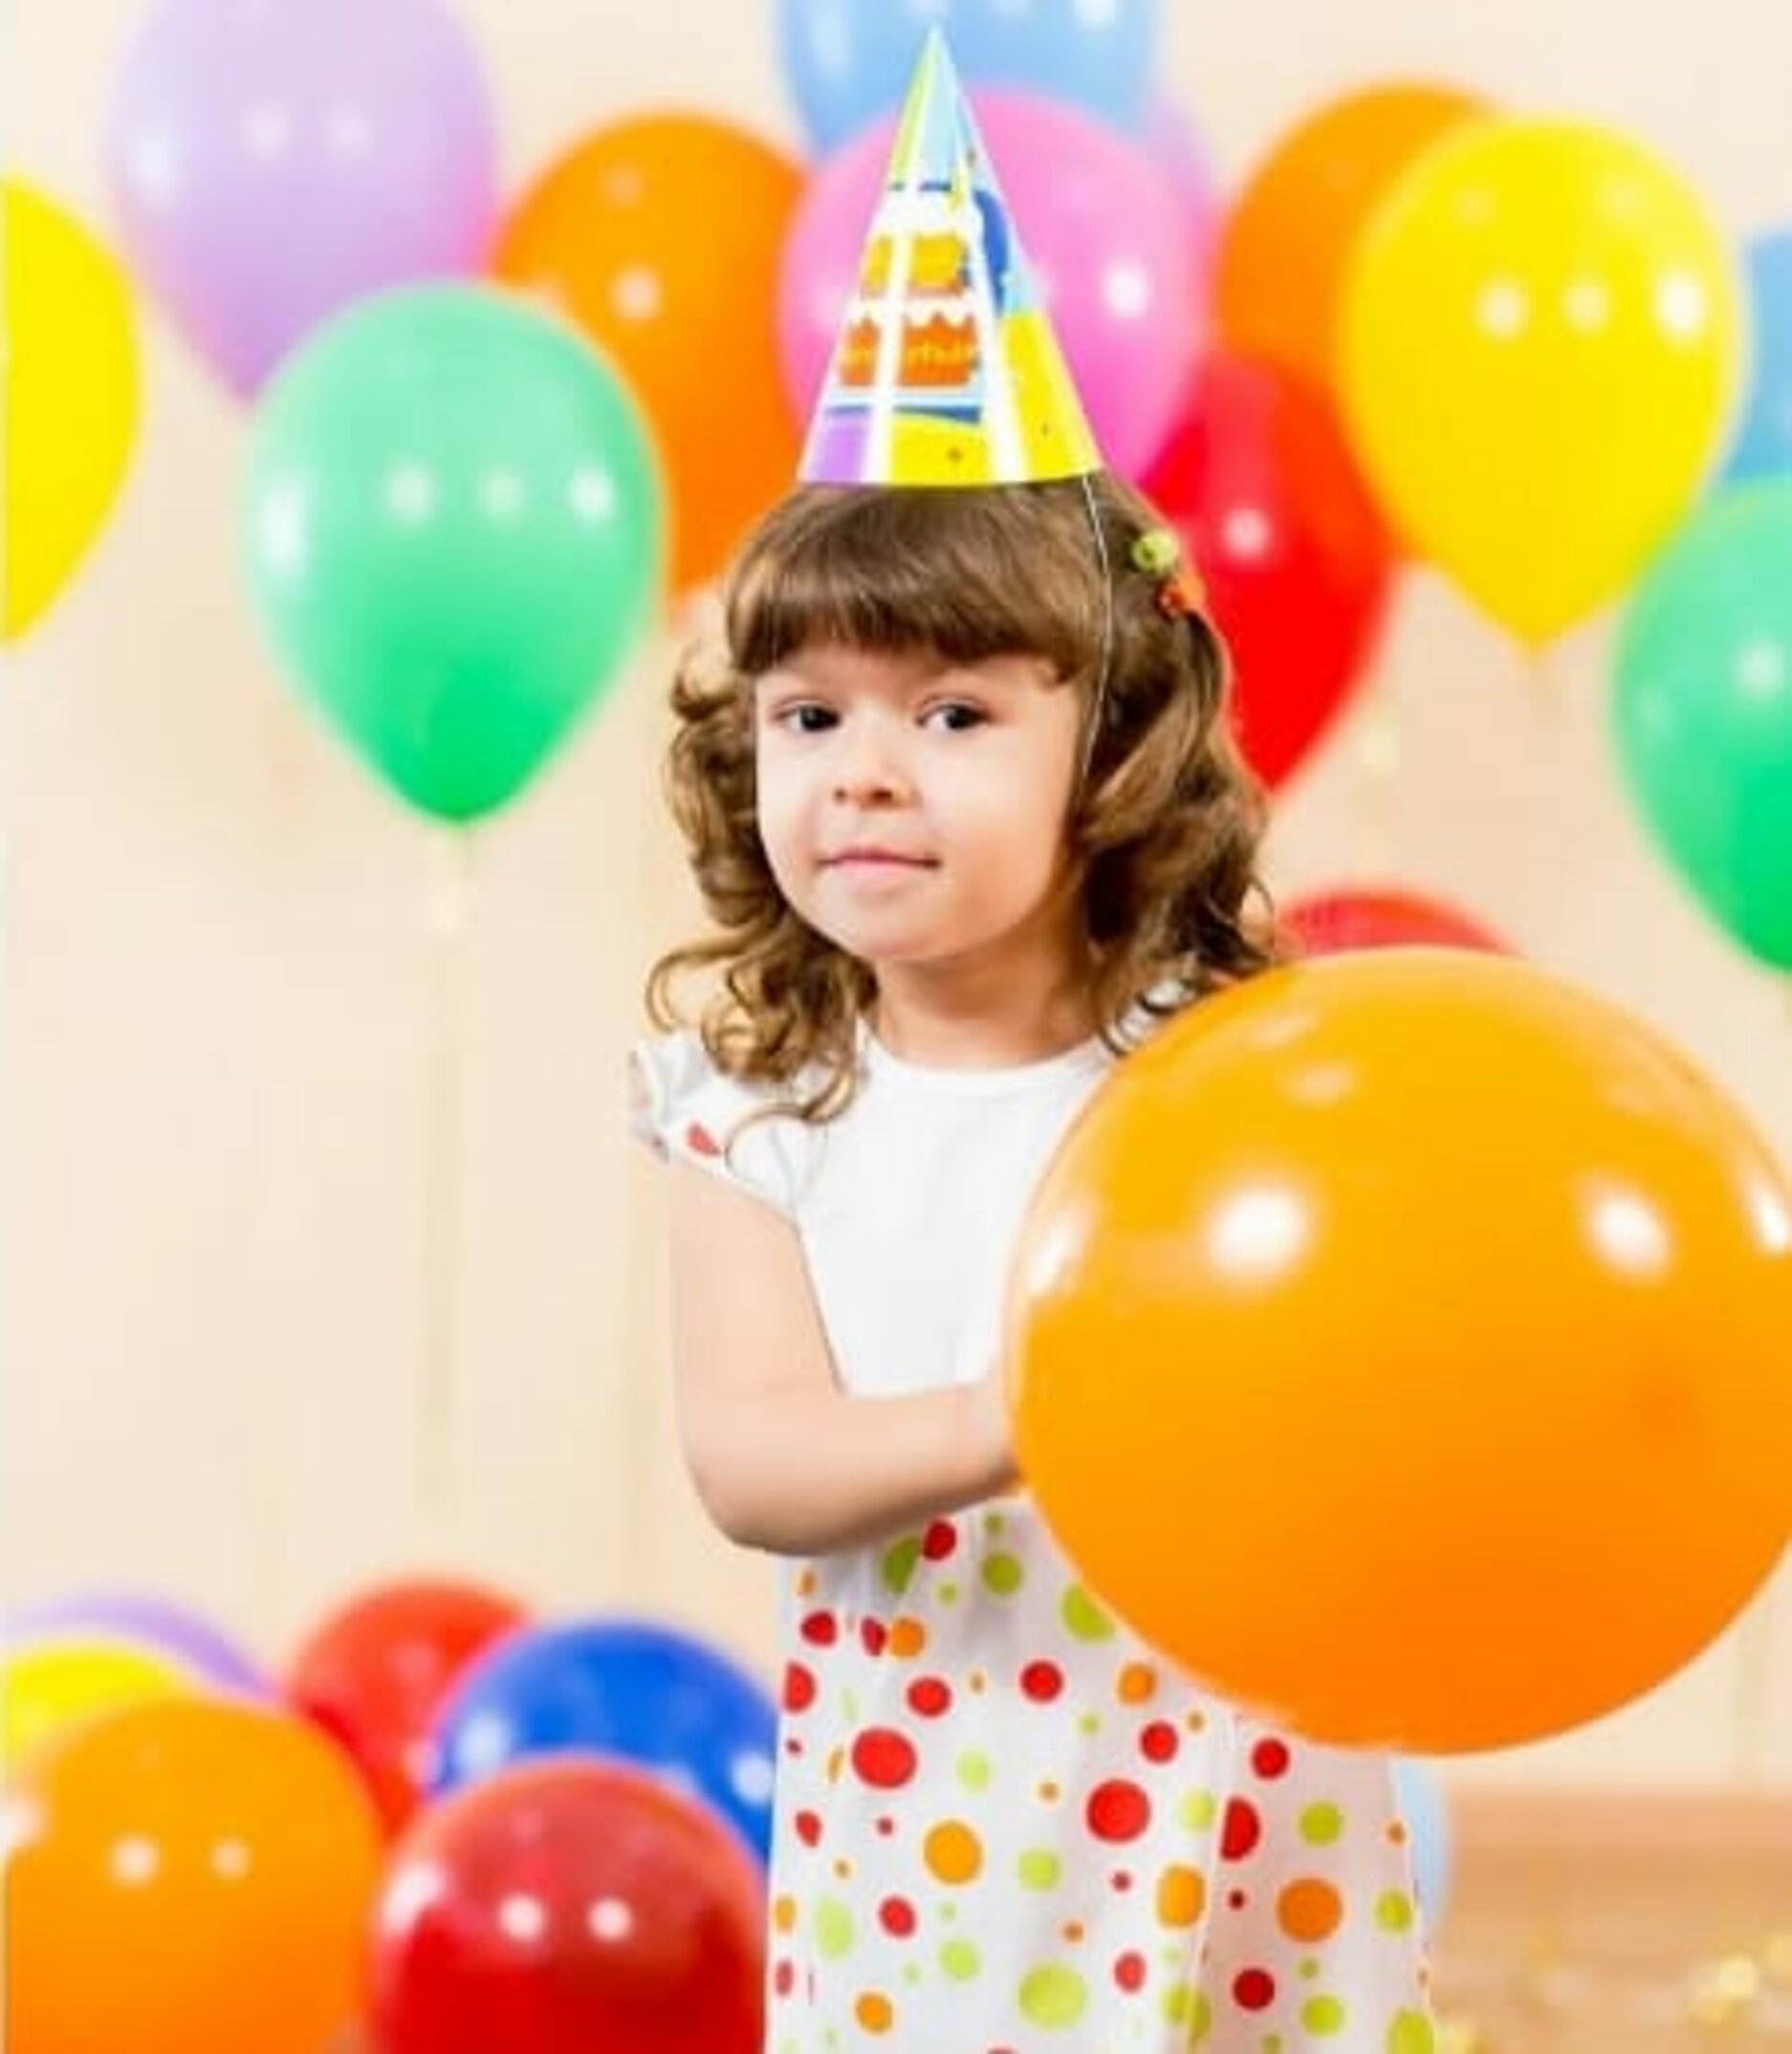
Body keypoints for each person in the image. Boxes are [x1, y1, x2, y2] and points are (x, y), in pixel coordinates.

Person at [630, 32, 1434, 2053]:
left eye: (953, 714)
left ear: (1115, 745)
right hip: (939, 1836)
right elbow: (752, 1457)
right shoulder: (759, 1102)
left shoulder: (1211, 1069)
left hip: (1231, 1788)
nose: (863, 771)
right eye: (810, 716)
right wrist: (1037, 1408)